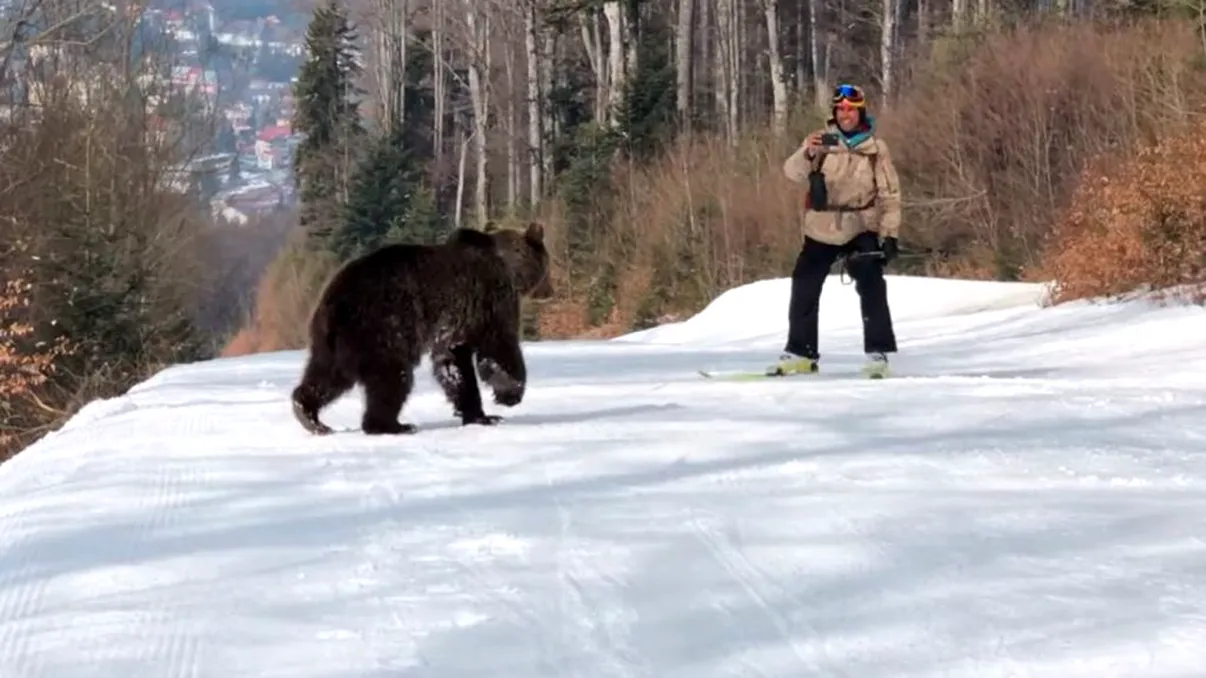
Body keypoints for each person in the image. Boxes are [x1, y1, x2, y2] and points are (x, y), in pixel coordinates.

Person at [768, 83, 902, 378]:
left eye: (851, 110)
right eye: (840, 110)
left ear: (860, 113)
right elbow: (792, 173)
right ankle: (801, 352)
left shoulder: (875, 148)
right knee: (804, 281)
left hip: (861, 224)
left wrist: (890, 234)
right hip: (822, 225)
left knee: (871, 281)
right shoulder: (821, 141)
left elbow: (890, 194)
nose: (845, 115)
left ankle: (878, 351)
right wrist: (807, 152)